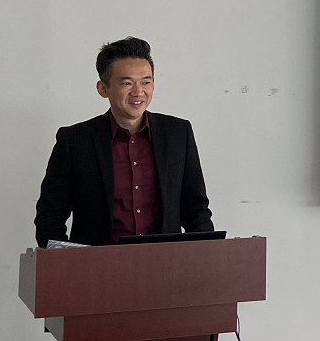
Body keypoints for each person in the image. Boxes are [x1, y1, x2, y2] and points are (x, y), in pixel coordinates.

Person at [35, 37, 214, 247]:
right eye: (126, 83)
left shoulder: (178, 133)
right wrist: (66, 261)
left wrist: (206, 256)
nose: (138, 92)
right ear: (103, 88)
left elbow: (196, 209)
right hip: (99, 263)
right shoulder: (74, 141)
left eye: (146, 82)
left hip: (164, 261)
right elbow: (50, 215)